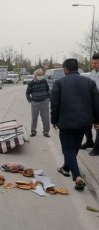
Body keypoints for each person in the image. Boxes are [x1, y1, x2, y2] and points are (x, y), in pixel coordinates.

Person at [50, 58, 99, 191]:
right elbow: (96, 103)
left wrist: (53, 120)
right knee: (74, 147)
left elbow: (54, 104)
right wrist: (97, 121)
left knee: (68, 149)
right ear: (77, 68)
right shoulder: (90, 82)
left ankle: (77, 177)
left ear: (65, 70)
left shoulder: (59, 83)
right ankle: (65, 168)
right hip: (84, 122)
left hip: (66, 122)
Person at [80, 53, 99, 156]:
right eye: (92, 63)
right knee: (86, 122)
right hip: (90, 101)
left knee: (98, 125)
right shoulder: (92, 72)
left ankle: (97, 147)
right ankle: (89, 141)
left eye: (96, 63)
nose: (93, 65)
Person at [25, 69, 50, 137]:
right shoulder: (31, 84)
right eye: (39, 75)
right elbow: (27, 93)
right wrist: (30, 100)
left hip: (44, 102)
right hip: (35, 102)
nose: (41, 76)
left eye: (42, 75)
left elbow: (48, 90)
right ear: (35, 75)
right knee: (34, 118)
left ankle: (46, 131)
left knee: (45, 118)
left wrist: (48, 98)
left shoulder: (44, 81)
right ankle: (33, 131)